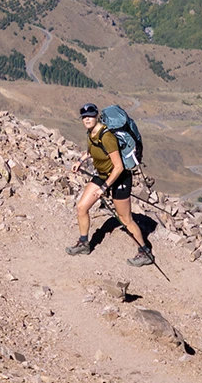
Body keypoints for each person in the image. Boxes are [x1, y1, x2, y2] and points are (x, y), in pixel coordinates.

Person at [66, 102, 154, 265]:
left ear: (96, 116)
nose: (87, 119)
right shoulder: (91, 133)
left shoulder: (107, 136)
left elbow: (119, 167)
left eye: (90, 116)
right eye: (84, 117)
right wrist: (80, 160)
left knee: (125, 219)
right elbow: (92, 150)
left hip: (120, 178)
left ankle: (145, 252)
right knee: (81, 207)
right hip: (102, 175)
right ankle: (84, 244)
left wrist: (104, 188)